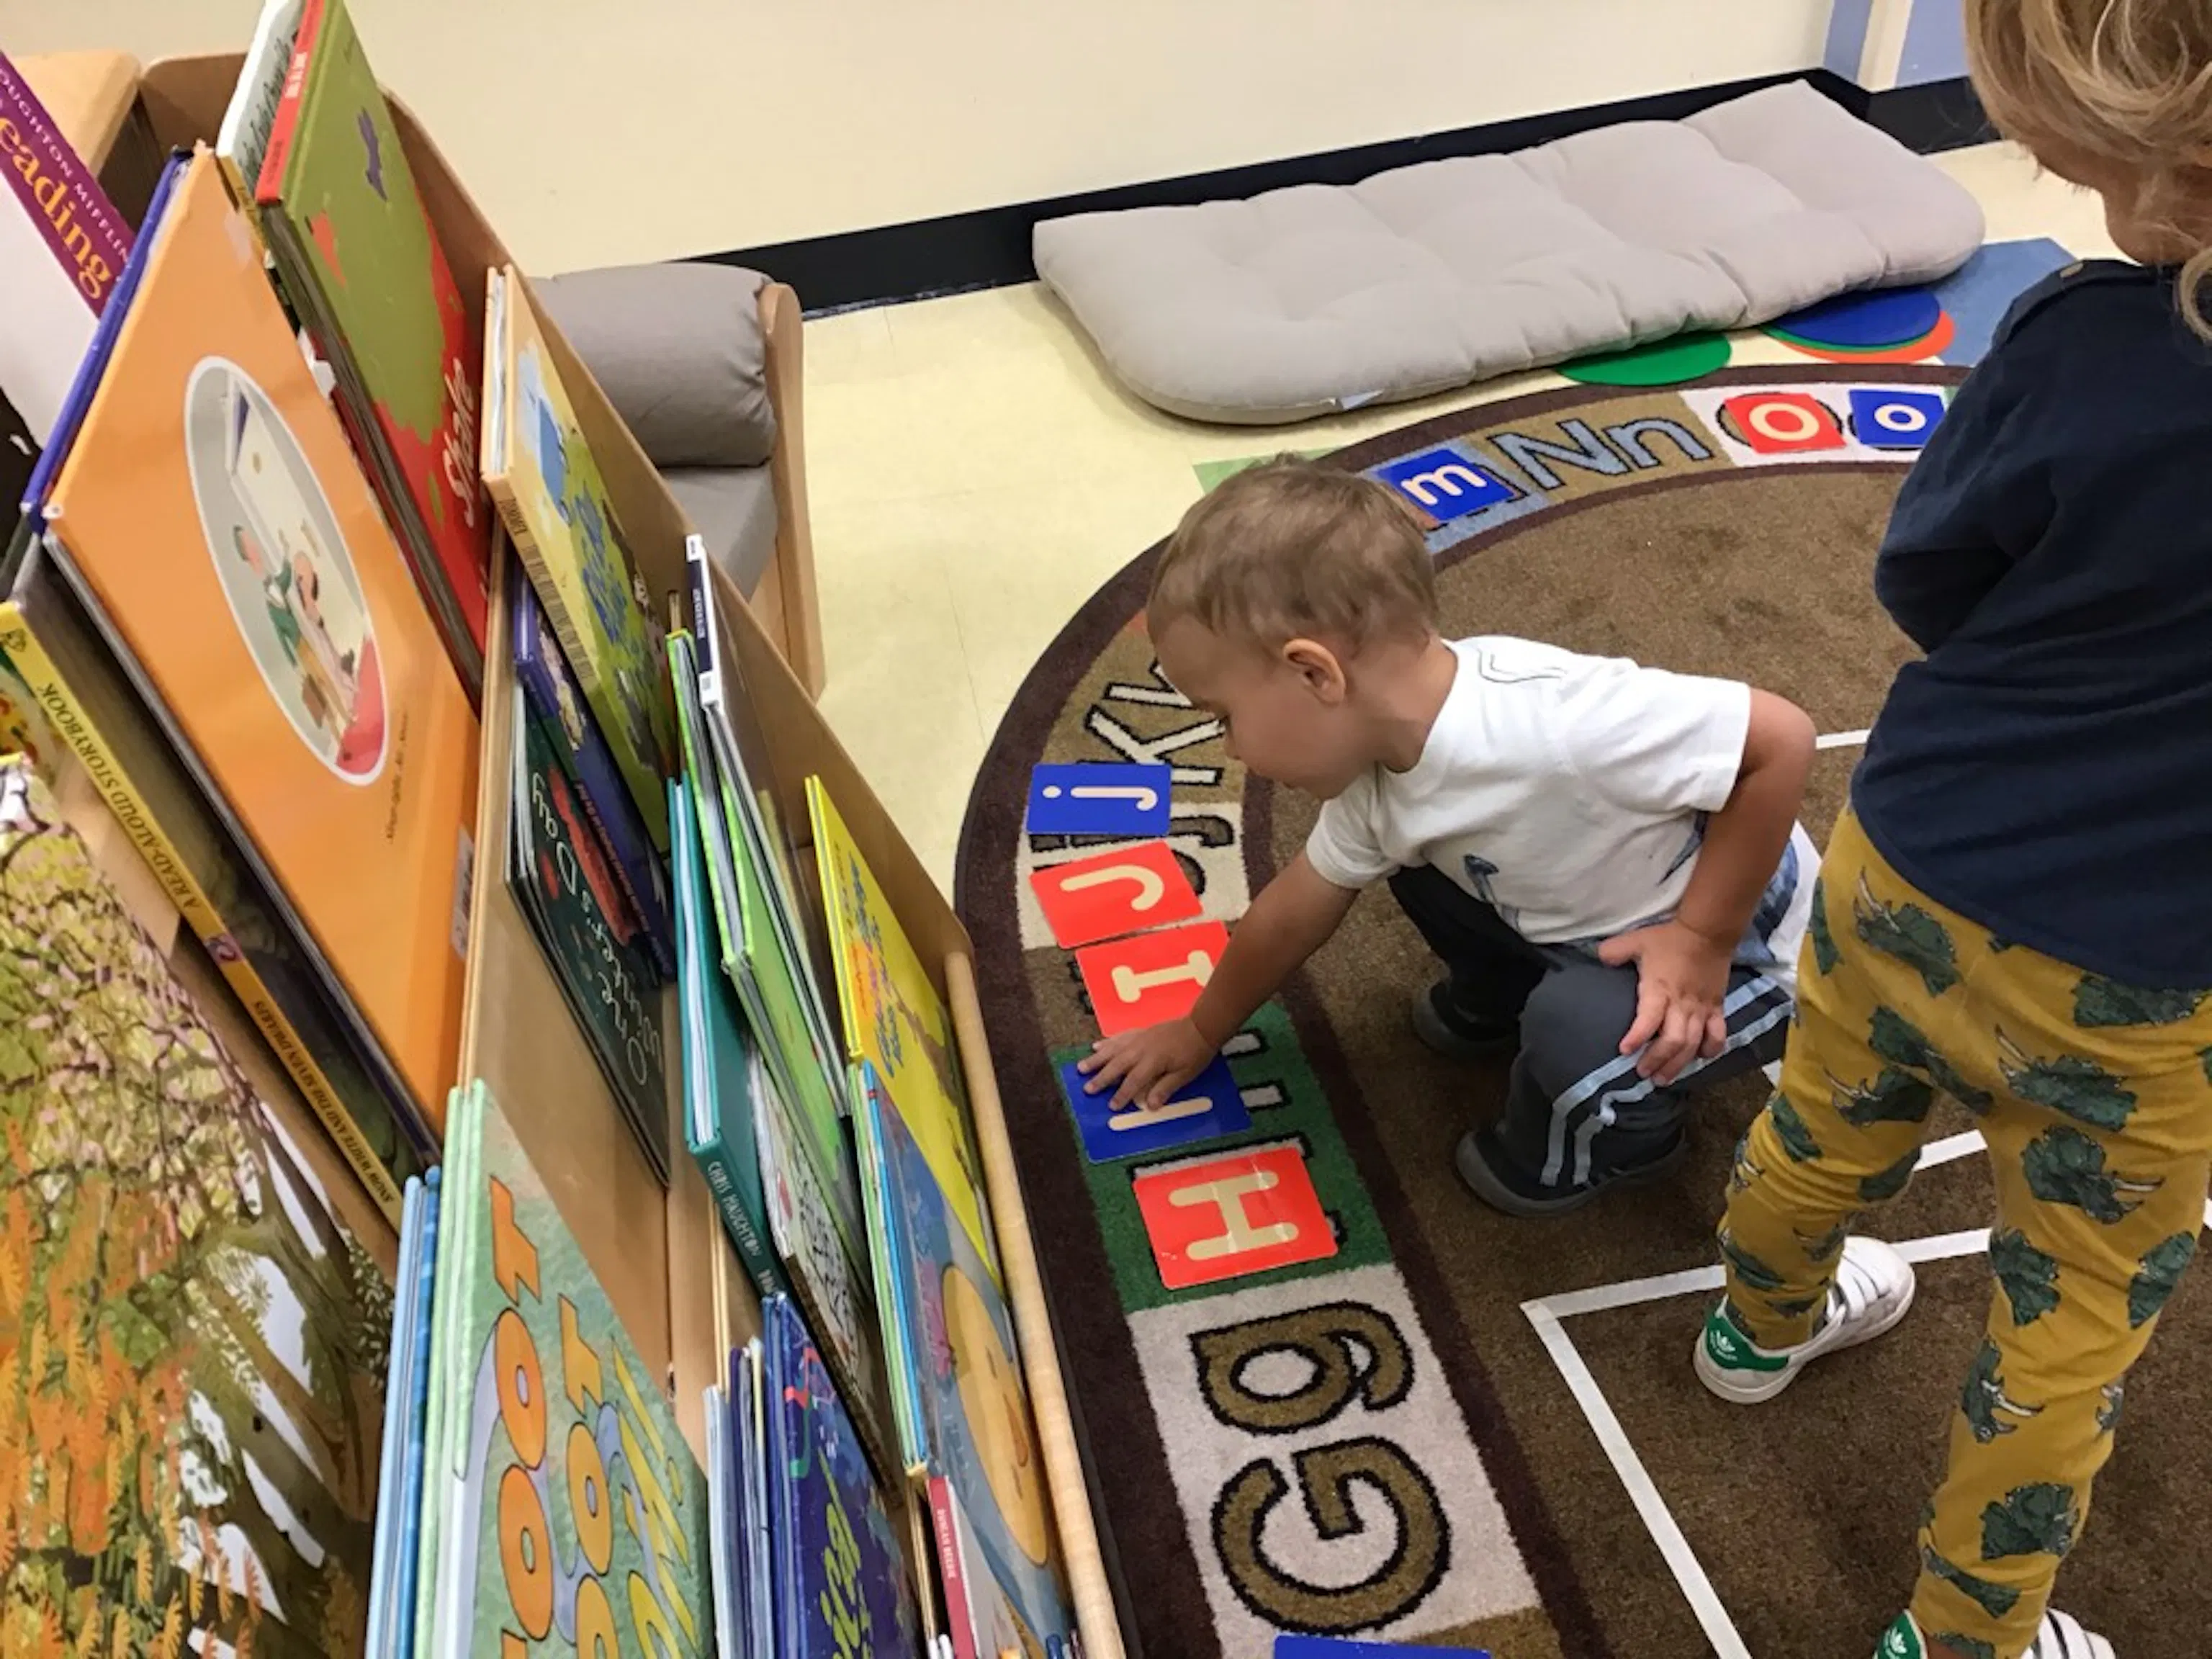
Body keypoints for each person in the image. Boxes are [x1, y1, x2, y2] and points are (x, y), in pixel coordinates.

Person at [1690, 5, 2212, 1656]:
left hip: (1913, 849)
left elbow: (1926, 573)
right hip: (2143, 985)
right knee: (2066, 1325)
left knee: (1824, 1113)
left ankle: (1756, 1324)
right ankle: (1966, 1636)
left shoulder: (2083, 337)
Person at [1077, 457, 1820, 1216]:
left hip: (1758, 948)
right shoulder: (1381, 768)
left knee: (1571, 1037)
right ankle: (1504, 997)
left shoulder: (1551, 724)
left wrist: (1701, 938)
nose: (1232, 749)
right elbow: (1294, 910)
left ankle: (1628, 1143)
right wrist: (1200, 1031)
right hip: (1587, 919)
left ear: (1315, 674)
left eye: (1224, 718)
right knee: (1417, 862)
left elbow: (1780, 741)